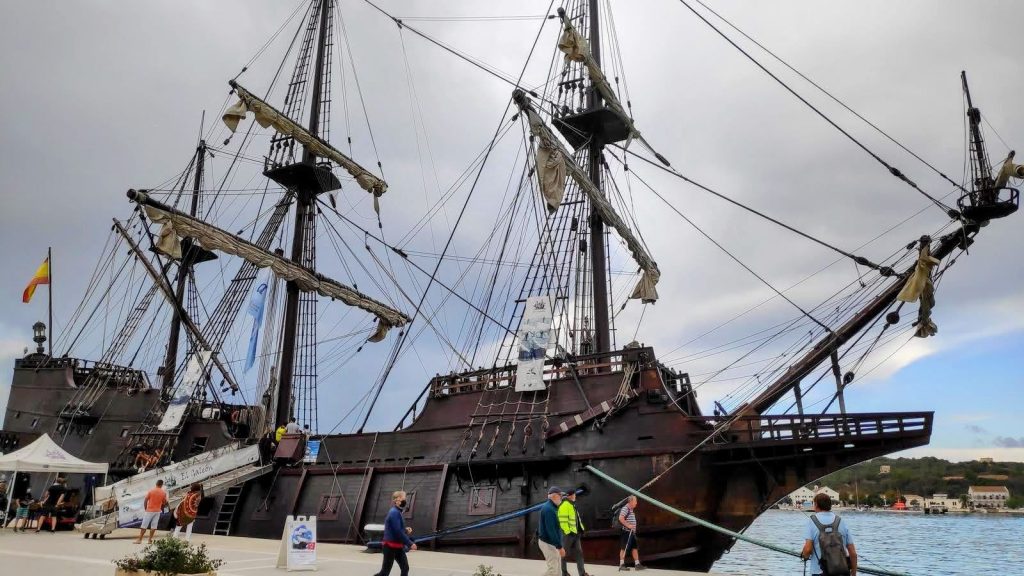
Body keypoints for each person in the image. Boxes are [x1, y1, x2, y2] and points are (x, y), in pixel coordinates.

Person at [801, 493, 857, 576]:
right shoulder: (841, 521)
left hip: (819, 572)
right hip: (841, 572)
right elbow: (853, 552)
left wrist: (804, 555)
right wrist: (854, 573)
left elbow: (808, 549)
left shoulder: (811, 521)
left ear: (816, 505)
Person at [378, 490, 416, 576]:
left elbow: (397, 528)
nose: (405, 500)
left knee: (405, 568)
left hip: (398, 546)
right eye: (404, 498)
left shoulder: (398, 512)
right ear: (398, 499)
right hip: (390, 546)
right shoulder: (394, 512)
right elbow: (398, 531)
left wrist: (405, 530)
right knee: (384, 572)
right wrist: (410, 543)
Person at [557, 488, 589, 576]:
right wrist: (568, 532)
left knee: (579, 553)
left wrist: (581, 529)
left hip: (575, 534)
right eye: (574, 494)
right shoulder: (565, 505)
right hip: (568, 535)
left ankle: (582, 573)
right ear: (571, 496)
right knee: (564, 554)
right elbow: (562, 521)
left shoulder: (572, 505)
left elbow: (577, 519)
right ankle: (564, 573)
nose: (575, 496)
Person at [537, 486, 565, 576]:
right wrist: (559, 547)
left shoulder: (553, 507)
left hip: (552, 543)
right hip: (548, 543)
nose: (561, 497)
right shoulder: (549, 509)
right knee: (553, 571)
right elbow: (551, 531)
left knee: (558, 572)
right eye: (560, 495)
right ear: (554, 496)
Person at [134, 479, 169, 544]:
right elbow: (164, 503)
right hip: (157, 511)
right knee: (154, 526)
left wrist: (145, 509)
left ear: (156, 484)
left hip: (149, 510)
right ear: (161, 485)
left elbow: (145, 500)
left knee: (144, 525)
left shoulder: (151, 491)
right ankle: (149, 540)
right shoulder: (163, 493)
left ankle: (140, 539)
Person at [617, 495, 645, 571]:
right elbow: (620, 518)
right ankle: (621, 564)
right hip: (627, 532)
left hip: (631, 532)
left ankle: (637, 564)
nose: (636, 503)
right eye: (635, 501)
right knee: (624, 548)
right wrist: (628, 525)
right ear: (631, 501)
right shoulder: (625, 508)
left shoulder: (630, 509)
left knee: (634, 548)